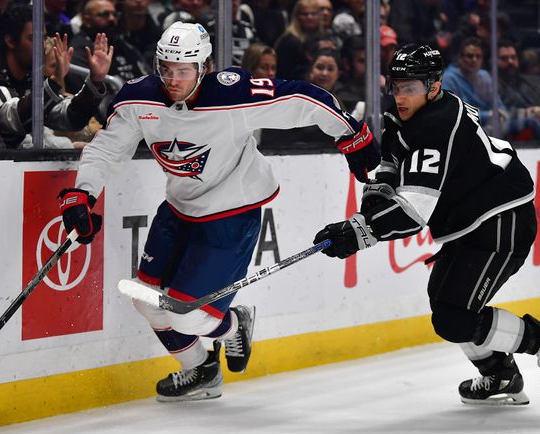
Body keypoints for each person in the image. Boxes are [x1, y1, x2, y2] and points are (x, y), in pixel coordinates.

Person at [58, 21, 380, 402]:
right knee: (146, 299)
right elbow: (106, 149)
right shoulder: (137, 99)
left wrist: (351, 132)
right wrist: (82, 193)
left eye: (182, 70)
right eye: (165, 68)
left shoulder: (232, 95)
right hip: (179, 208)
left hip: (233, 211)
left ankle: (234, 326)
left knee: (186, 314)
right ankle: (200, 369)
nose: (172, 79)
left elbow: (302, 99)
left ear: (204, 67)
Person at [312, 44, 540, 407]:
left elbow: (415, 210)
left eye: (409, 87)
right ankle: (499, 374)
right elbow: (390, 166)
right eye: (396, 86)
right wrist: (370, 206)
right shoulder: (406, 113)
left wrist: (359, 231)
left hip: (500, 218)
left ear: (433, 86)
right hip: (466, 221)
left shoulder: (439, 123)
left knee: (455, 317)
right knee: (445, 305)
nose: (400, 96)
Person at [0, 3, 113, 148]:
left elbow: (69, 118)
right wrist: (56, 80)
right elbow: (12, 120)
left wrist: (95, 81)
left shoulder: (31, 77)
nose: (42, 45)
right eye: (33, 38)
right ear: (11, 41)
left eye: (44, 37)